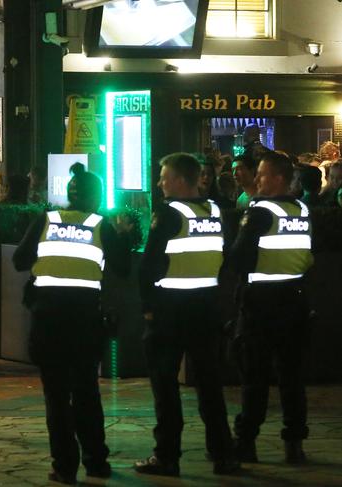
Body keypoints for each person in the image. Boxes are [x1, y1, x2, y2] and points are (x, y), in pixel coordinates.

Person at [13, 164, 132, 485]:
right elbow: (122, 268)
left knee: (56, 396)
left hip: (47, 320)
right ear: (97, 197)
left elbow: (19, 260)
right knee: (86, 393)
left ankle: (64, 466)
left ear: (68, 194)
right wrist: (124, 235)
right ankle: (96, 462)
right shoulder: (101, 226)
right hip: (85, 322)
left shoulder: (46, 220)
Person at [135, 153, 239, 477]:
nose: (159, 183)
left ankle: (167, 456)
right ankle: (223, 454)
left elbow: (148, 265)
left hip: (170, 310)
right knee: (210, 384)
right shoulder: (216, 211)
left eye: (164, 177)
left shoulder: (167, 214)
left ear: (180, 180)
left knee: (165, 386)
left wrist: (149, 310)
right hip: (206, 308)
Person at [228, 151, 313, 465]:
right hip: (295, 299)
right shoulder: (301, 209)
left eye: (262, 174)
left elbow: (238, 257)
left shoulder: (261, 211)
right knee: (292, 378)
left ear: (278, 177)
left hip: (261, 304)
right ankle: (294, 444)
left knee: (255, 377)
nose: (257, 179)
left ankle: (246, 441)